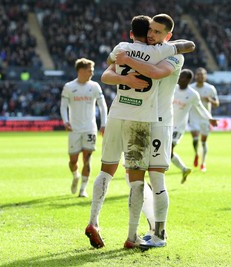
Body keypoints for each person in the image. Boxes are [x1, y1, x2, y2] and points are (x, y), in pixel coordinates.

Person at [85, 15, 195, 249]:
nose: (152, 35)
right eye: (150, 31)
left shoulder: (172, 55)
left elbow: (155, 71)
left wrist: (126, 60)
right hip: (141, 119)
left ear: (168, 36)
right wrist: (125, 72)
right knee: (134, 178)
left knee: (155, 177)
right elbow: (109, 72)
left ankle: (160, 233)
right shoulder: (150, 50)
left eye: (157, 32)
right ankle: (142, 231)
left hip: (160, 121)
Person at [60, 58, 108, 197]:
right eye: (89, 70)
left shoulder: (94, 86)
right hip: (74, 129)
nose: (92, 73)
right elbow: (63, 106)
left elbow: (103, 106)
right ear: (80, 71)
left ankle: (83, 190)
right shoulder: (69, 87)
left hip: (90, 128)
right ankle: (75, 175)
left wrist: (103, 124)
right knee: (73, 160)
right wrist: (65, 121)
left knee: (87, 159)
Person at [172, 69, 218, 183]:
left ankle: (199, 163)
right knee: (165, 151)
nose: (179, 78)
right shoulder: (173, 89)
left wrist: (210, 118)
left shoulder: (193, 94)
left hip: (178, 127)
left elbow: (201, 108)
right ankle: (185, 168)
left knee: (168, 150)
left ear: (187, 80)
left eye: (181, 77)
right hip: (167, 123)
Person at [188, 67, 219, 172]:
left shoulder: (210, 88)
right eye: (198, 74)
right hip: (193, 117)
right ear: (195, 76)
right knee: (195, 138)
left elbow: (217, 104)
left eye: (202, 74)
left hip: (205, 118)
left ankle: (203, 162)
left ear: (206, 76)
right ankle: (196, 154)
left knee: (204, 142)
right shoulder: (190, 88)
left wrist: (209, 100)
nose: (200, 76)